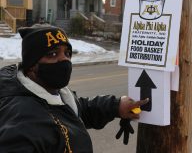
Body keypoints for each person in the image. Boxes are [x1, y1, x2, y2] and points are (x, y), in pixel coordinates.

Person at [0, 24, 148, 152]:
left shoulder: (53, 93)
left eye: (67, 53)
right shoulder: (22, 123)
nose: (64, 59)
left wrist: (116, 106)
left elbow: (76, 110)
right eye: (52, 54)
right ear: (32, 65)